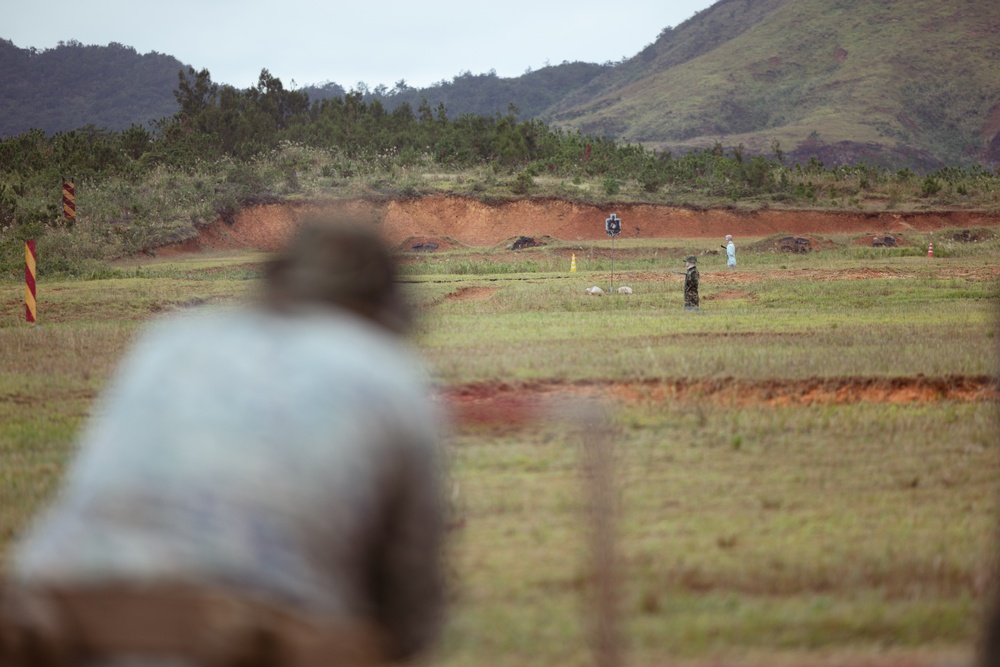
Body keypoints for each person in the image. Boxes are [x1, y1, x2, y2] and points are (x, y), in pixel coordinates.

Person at [1, 215, 446, 666]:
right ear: (386, 306)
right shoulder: (390, 374)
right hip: (249, 641)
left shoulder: (172, 341)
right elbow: (409, 618)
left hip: (47, 624)